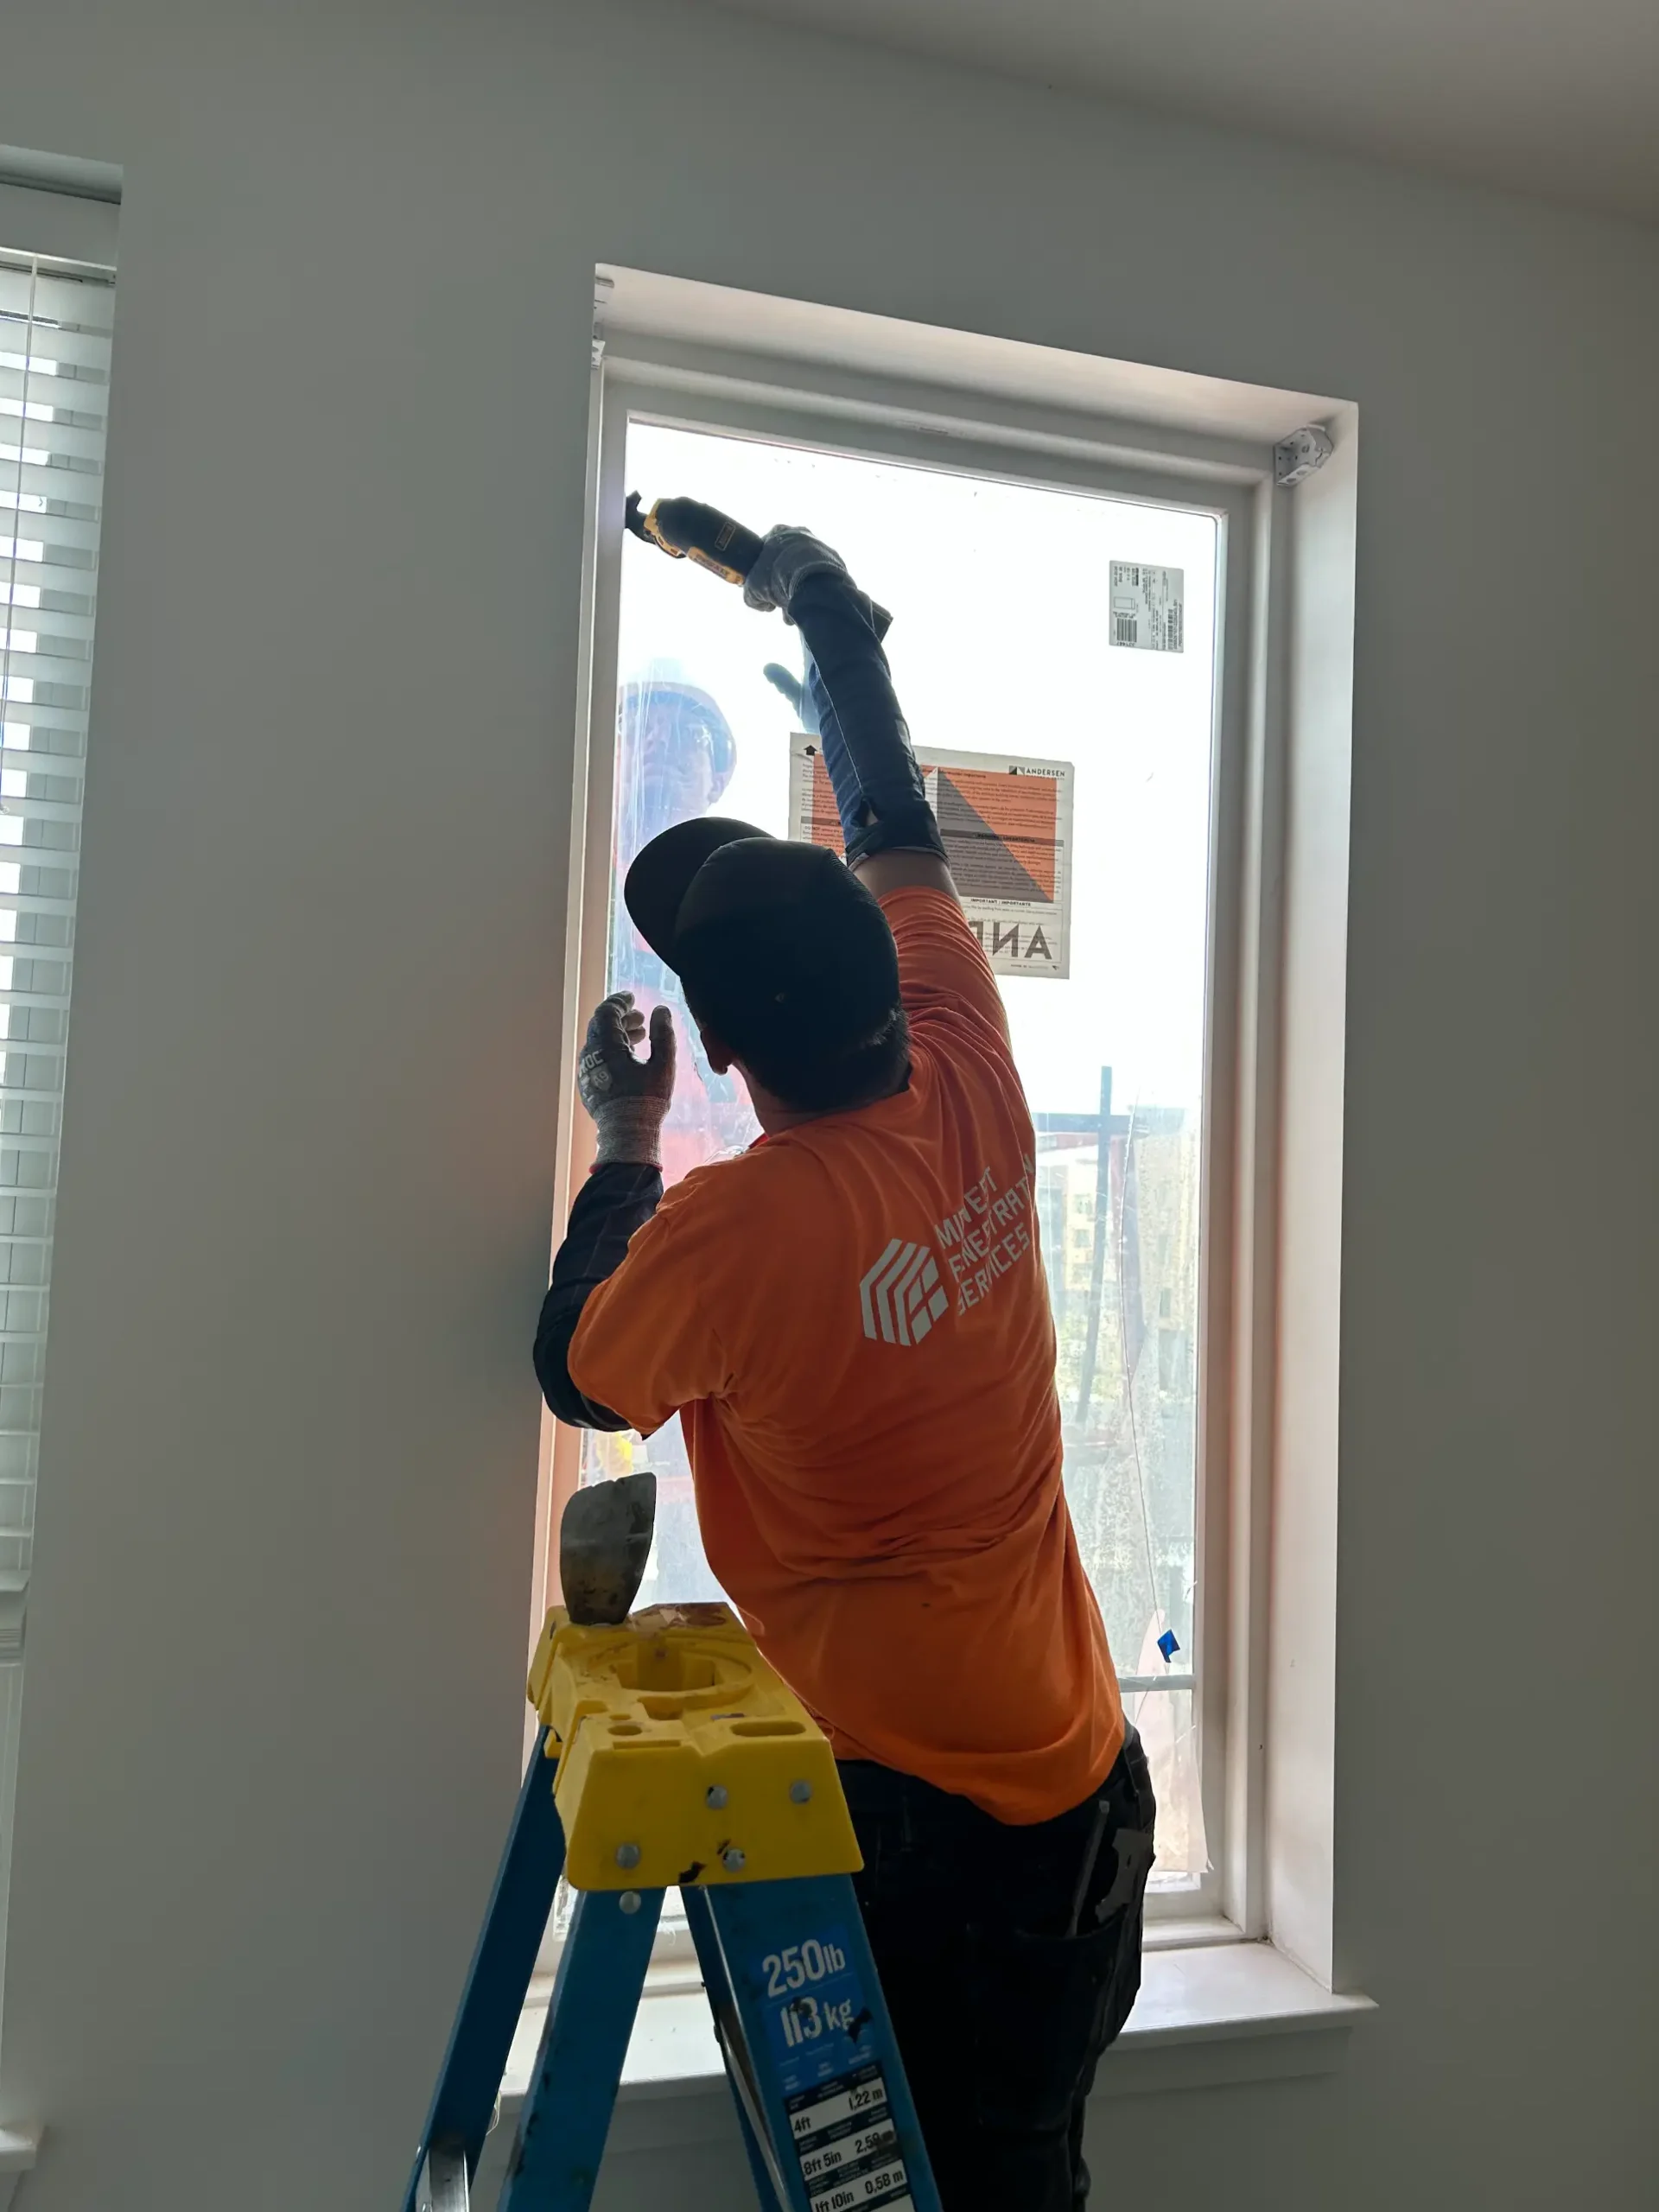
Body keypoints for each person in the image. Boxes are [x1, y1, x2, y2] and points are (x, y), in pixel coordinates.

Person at [535, 523, 1155, 2210]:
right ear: (895, 966)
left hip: (924, 1834)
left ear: (727, 1043)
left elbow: (583, 1372)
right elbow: (891, 815)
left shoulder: (753, 1225)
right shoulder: (967, 1046)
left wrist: (623, 1135)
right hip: (1089, 1789)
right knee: (1024, 2179)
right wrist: (821, 606)